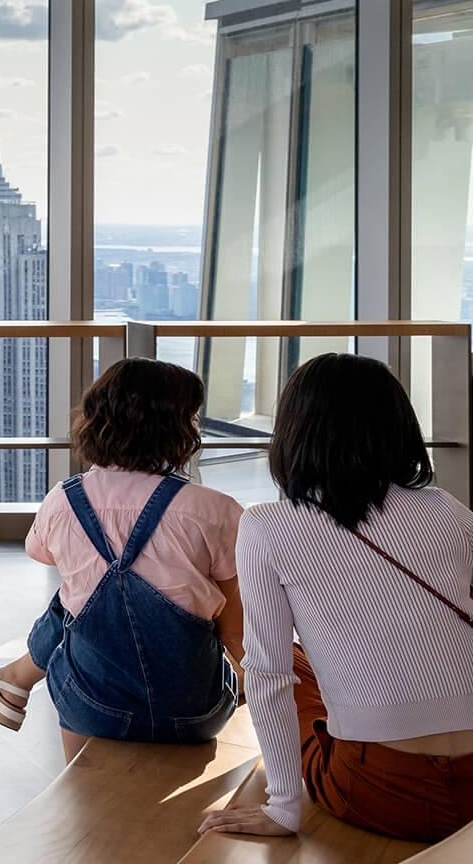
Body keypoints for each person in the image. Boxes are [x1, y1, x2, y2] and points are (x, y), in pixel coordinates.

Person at [200, 354, 473, 843]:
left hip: (382, 790)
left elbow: (267, 673)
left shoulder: (267, 526)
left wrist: (283, 807)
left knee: (283, 665)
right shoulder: (448, 509)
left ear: (293, 433)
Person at [0, 358, 243, 761]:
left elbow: (42, 553)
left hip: (92, 709)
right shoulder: (215, 510)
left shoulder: (63, 502)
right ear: (177, 429)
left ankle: (16, 685)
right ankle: (12, 680)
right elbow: (236, 634)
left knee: (77, 599)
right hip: (196, 715)